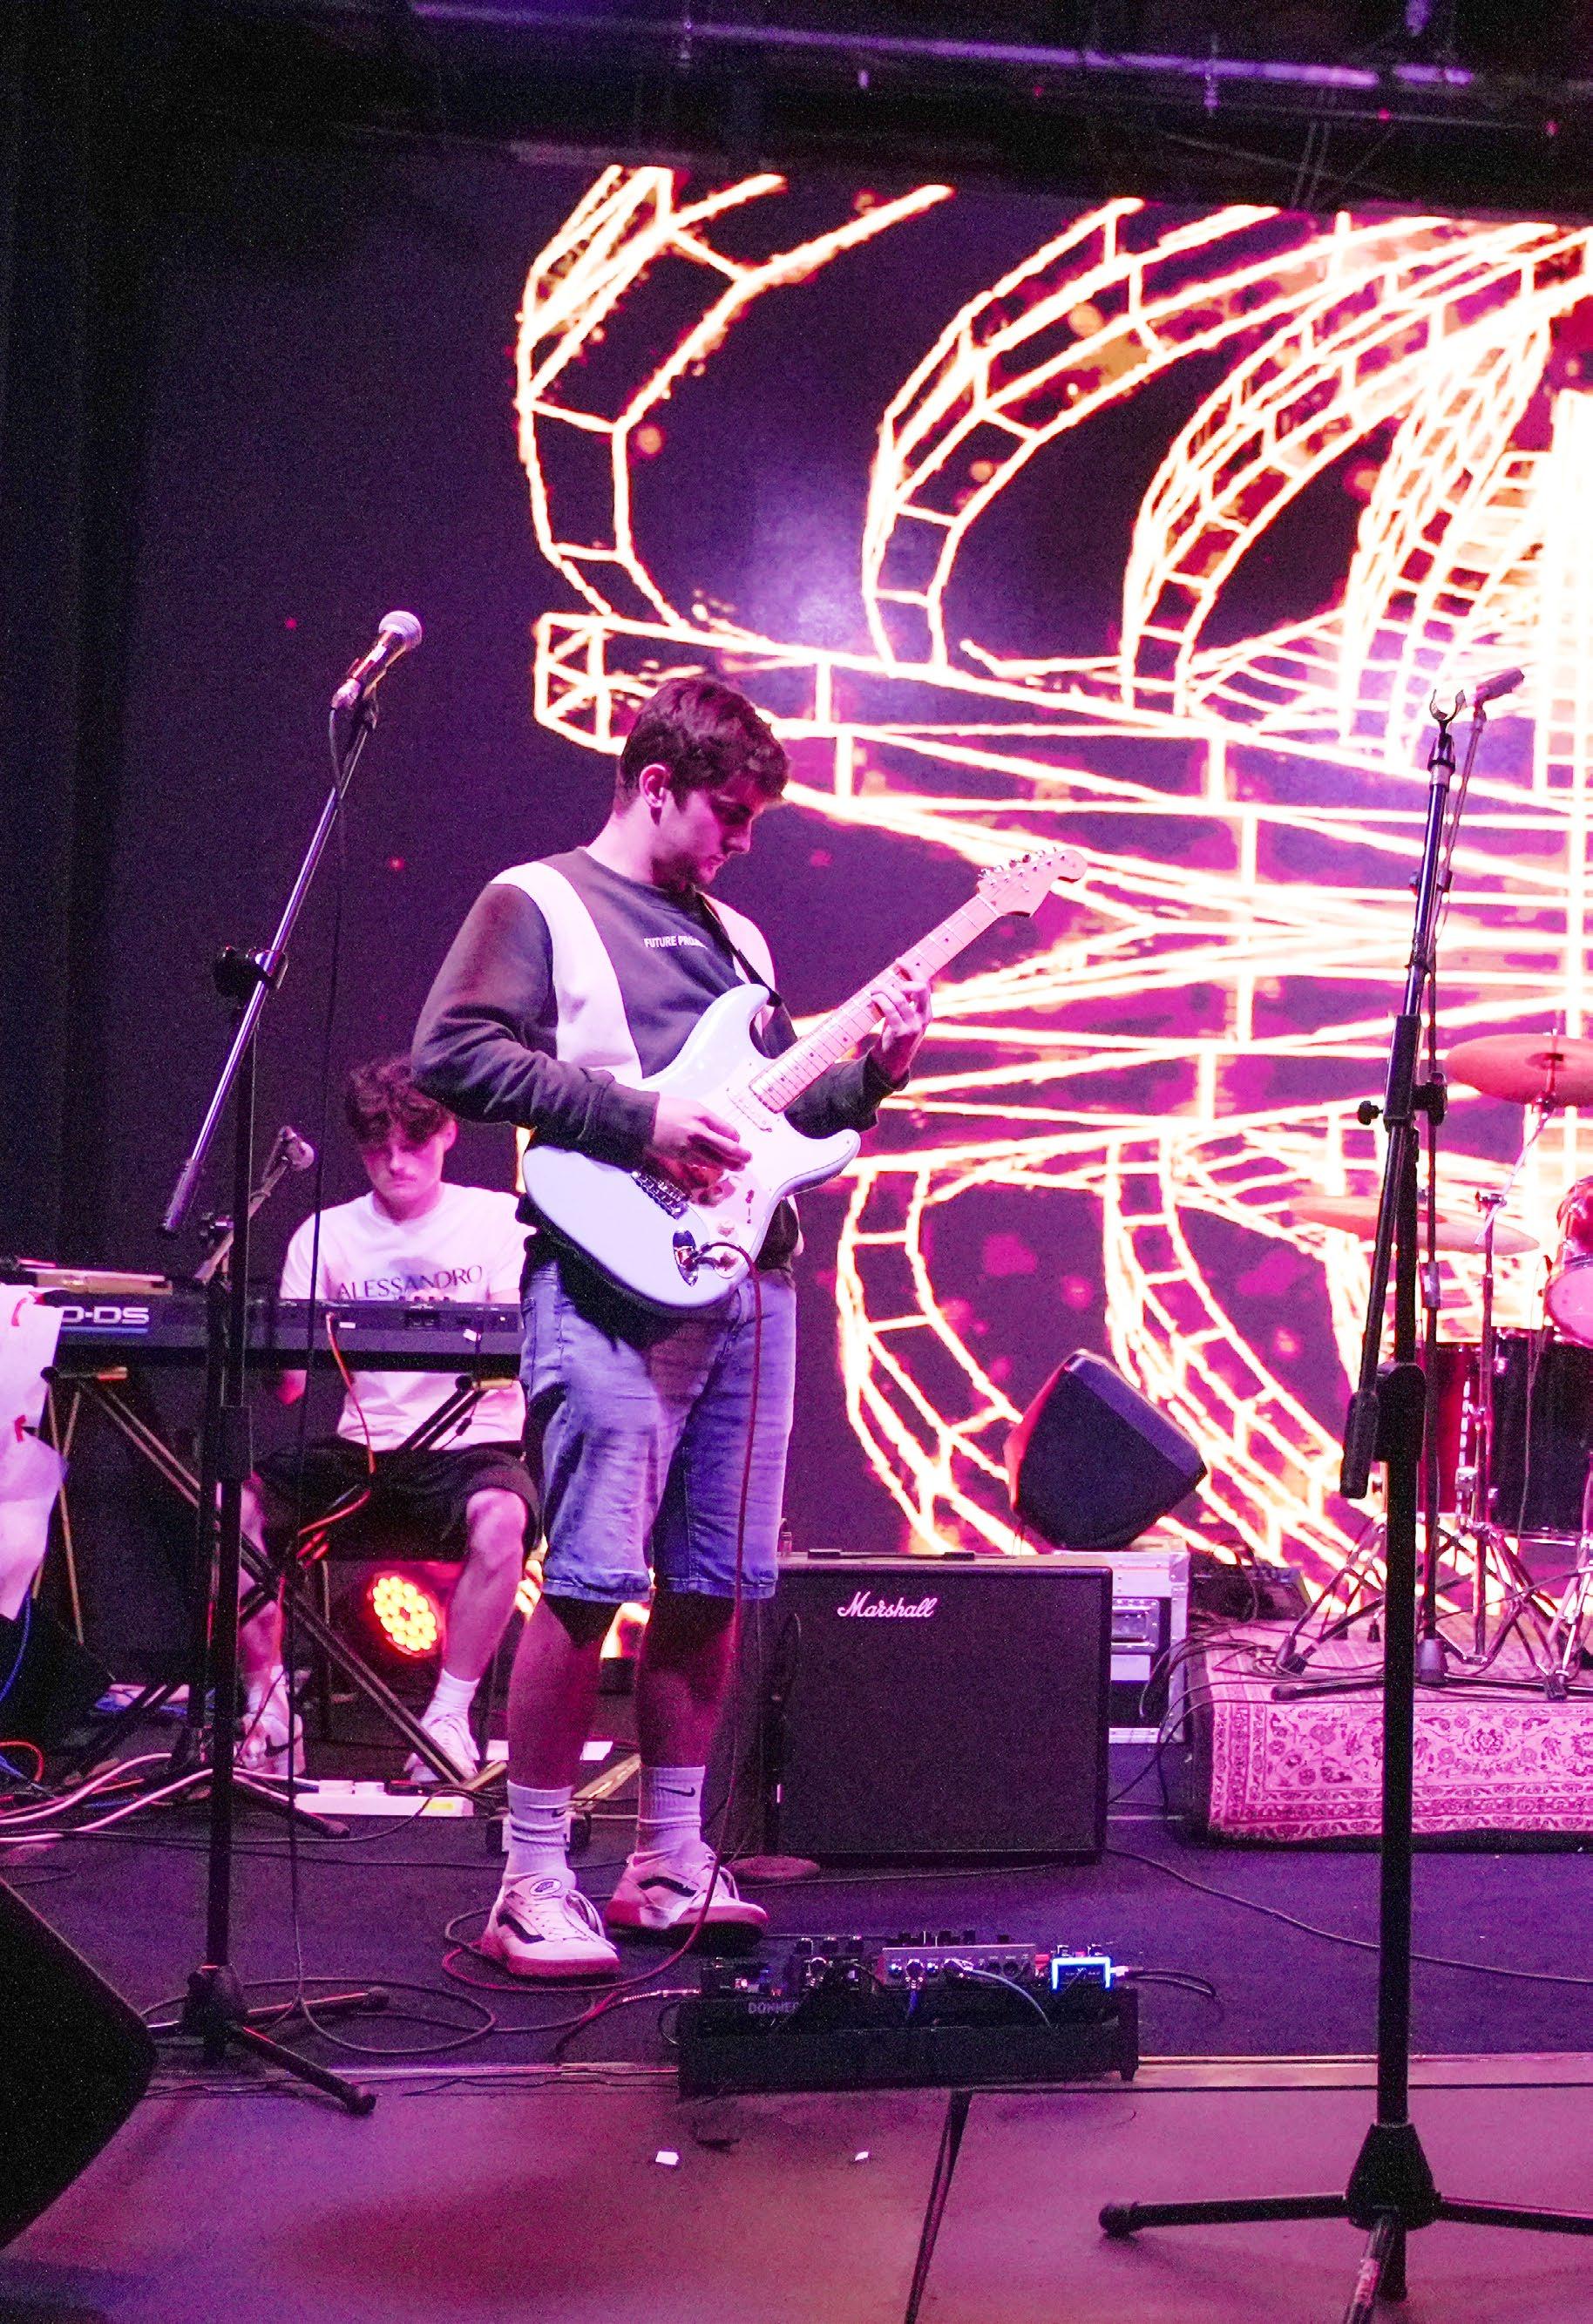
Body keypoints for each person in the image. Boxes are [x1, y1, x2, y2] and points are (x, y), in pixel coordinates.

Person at [411, 674, 931, 1978]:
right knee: (590, 1579)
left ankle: (668, 1857)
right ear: (656, 785)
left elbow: (775, 1127)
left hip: (750, 1284)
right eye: (728, 813)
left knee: (713, 1585)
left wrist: (873, 1074)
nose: (742, 840)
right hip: (606, 1280)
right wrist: (638, 1119)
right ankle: (532, 1879)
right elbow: (453, 1054)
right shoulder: (537, 900)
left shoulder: (740, 939)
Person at [238, 1057, 535, 1783]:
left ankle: (447, 1716)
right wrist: (265, 1338)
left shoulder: (498, 1219)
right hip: (364, 1451)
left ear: (448, 1133)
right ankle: (268, 1705)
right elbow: (289, 1390)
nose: (396, 1163)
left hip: (471, 1448)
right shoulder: (325, 1234)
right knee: (231, 1504)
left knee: (502, 1516)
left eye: (413, 1143)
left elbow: (510, 1354)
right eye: (378, 1147)